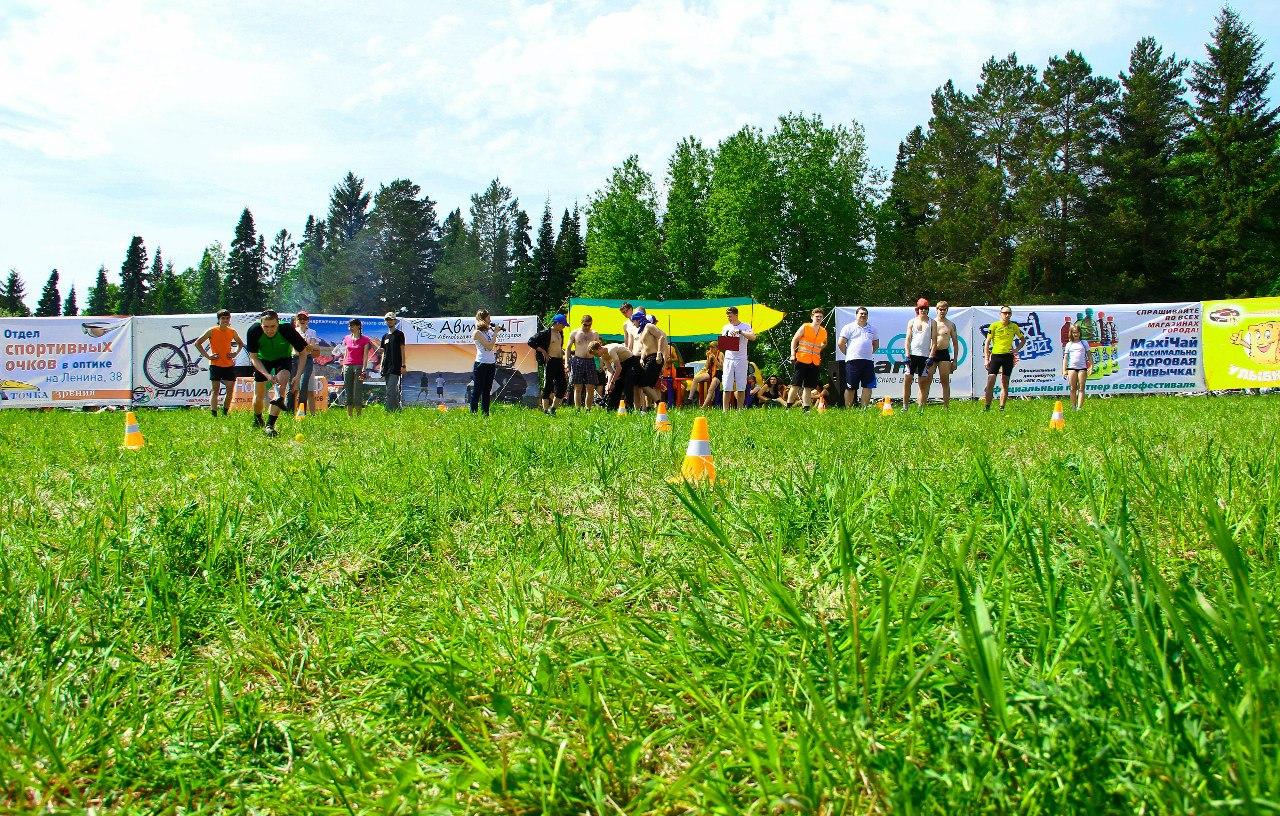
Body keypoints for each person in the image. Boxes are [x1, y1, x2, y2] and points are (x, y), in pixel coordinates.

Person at [245, 310, 315, 436]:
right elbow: (253, 357)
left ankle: (270, 425)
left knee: (282, 385)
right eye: (266, 327)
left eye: (273, 326)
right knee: (259, 395)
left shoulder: (286, 329)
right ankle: (258, 418)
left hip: (282, 359)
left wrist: (298, 376)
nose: (269, 330)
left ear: (278, 323)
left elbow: (303, 353)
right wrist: (266, 375)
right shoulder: (253, 331)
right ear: (261, 325)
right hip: (262, 360)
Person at [195, 309, 243, 417]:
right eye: (223, 318)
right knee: (215, 390)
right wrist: (208, 356)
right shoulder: (212, 330)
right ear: (219, 319)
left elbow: (240, 343)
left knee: (230, 390)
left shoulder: (232, 331)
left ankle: (225, 412)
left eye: (227, 318)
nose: (225, 320)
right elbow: (197, 343)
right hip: (215, 364)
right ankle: (214, 414)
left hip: (228, 364)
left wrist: (235, 353)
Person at [983, 305, 1027, 411]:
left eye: (1009, 313)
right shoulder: (994, 325)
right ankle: (987, 407)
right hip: (995, 356)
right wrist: (986, 359)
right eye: (1005, 313)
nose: (1007, 315)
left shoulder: (1014, 326)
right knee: (991, 380)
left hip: (1008, 357)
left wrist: (1016, 349)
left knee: (1005, 382)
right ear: (1000, 314)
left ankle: (1001, 408)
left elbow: (1023, 340)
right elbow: (987, 342)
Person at [837, 307, 878, 407]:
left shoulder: (872, 329)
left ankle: (864, 409)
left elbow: (876, 344)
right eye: (861, 313)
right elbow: (841, 343)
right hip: (852, 361)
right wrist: (849, 353)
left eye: (865, 314)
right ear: (856, 315)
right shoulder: (848, 327)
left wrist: (867, 353)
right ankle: (849, 410)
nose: (863, 315)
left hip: (868, 361)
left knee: (868, 386)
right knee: (851, 387)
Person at [528, 313, 569, 414]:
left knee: (563, 385)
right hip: (550, 361)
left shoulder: (560, 333)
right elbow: (531, 342)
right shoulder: (545, 333)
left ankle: (553, 408)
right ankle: (545, 410)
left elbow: (558, 346)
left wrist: (562, 352)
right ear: (557, 323)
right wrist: (543, 351)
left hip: (559, 361)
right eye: (563, 325)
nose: (564, 327)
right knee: (548, 386)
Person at [924, 300, 961, 408]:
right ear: (936, 310)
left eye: (944, 309)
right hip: (931, 353)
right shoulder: (931, 323)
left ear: (947, 310)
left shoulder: (950, 324)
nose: (942, 311)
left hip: (944, 353)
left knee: (945, 381)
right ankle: (922, 406)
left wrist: (955, 360)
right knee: (927, 380)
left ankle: (946, 407)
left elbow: (955, 344)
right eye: (940, 309)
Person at [789, 307, 827, 411]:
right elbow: (794, 340)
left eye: (820, 317)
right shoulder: (805, 326)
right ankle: (788, 406)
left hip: (815, 361)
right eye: (817, 316)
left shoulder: (823, 331)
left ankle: (806, 409)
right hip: (802, 359)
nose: (818, 318)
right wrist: (792, 354)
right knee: (795, 384)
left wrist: (819, 348)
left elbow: (824, 343)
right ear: (812, 317)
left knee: (808, 386)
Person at [720, 305, 756, 410]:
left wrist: (740, 332)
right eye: (727, 316)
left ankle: (740, 410)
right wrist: (728, 335)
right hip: (728, 359)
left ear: (736, 315)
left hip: (741, 359)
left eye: (730, 316)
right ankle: (725, 410)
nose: (729, 318)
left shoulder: (745, 326)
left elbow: (753, 337)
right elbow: (723, 344)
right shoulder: (726, 327)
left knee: (741, 386)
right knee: (727, 385)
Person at [903, 298, 936, 412]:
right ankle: (905, 407)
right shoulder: (912, 321)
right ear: (917, 309)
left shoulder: (932, 322)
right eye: (921, 308)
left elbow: (934, 342)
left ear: (928, 310)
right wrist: (907, 355)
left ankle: (921, 408)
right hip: (912, 355)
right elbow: (907, 339)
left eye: (925, 308)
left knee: (923, 382)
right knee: (907, 380)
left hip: (924, 356)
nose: (923, 310)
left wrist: (931, 357)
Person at [340, 319, 378, 417]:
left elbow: (365, 356)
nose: (350, 328)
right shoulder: (346, 338)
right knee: (348, 390)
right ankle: (349, 415)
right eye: (349, 326)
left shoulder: (365, 339)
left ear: (359, 326)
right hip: (347, 366)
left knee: (358, 390)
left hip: (359, 367)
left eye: (352, 326)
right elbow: (346, 353)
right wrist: (343, 366)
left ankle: (358, 415)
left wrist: (364, 369)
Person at [590, 340, 640, 412]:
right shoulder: (603, 356)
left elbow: (619, 368)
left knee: (627, 386)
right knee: (615, 388)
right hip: (622, 365)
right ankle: (611, 409)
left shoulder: (611, 350)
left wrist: (612, 382)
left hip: (631, 363)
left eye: (596, 353)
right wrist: (609, 384)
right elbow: (610, 371)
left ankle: (630, 410)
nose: (596, 356)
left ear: (599, 348)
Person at [289, 311, 321, 416]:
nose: (302, 320)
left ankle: (301, 412)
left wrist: (302, 345)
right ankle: (289, 412)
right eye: (300, 318)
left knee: (304, 385)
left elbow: (311, 347)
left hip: (307, 359)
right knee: (292, 386)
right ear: (296, 320)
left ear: (308, 321)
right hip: (294, 359)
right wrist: (305, 345)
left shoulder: (312, 332)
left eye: (305, 319)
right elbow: (293, 346)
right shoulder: (293, 331)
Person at [634, 313, 669, 410]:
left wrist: (659, 353)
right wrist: (642, 358)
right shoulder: (642, 331)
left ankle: (660, 404)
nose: (633, 323)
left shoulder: (649, 326)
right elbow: (644, 348)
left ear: (638, 319)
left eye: (634, 321)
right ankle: (658, 405)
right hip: (647, 359)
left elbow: (661, 337)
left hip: (654, 358)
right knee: (647, 385)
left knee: (643, 383)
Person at [471, 309, 501, 415]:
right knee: (478, 389)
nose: (490, 320)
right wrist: (495, 333)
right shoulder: (477, 333)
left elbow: (492, 344)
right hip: (481, 363)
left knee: (487, 390)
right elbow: (489, 347)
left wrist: (495, 332)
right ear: (482, 319)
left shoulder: (488, 331)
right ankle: (473, 413)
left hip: (491, 363)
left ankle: (485, 414)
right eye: (488, 318)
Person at [567, 313, 600, 410]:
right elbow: (568, 348)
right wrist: (566, 362)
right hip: (578, 360)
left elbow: (598, 349)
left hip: (590, 360)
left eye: (589, 325)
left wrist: (600, 362)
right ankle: (577, 409)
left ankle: (588, 409)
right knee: (578, 387)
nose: (587, 327)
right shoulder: (575, 333)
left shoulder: (594, 333)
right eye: (585, 325)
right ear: (581, 323)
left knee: (590, 387)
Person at [379, 312, 407, 412]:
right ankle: (398, 410)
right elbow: (383, 352)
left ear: (395, 321)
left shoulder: (399, 334)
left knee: (390, 390)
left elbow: (402, 350)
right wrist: (381, 365)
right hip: (386, 366)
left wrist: (403, 365)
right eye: (387, 319)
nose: (389, 321)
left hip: (396, 365)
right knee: (392, 390)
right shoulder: (384, 336)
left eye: (391, 319)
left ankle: (389, 411)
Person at [1062, 323, 1092, 410]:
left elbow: (1089, 356)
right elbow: (1065, 358)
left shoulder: (1084, 343)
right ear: (1071, 333)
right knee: (1072, 388)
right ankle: (1073, 407)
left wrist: (1091, 366)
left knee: (1081, 388)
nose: (1076, 334)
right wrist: (1064, 370)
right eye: (1074, 332)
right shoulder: (1069, 344)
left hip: (1082, 368)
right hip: (1071, 368)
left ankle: (1079, 408)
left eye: (1078, 332)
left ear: (1080, 333)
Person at [692, 340, 722, 407]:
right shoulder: (709, 354)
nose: (711, 349)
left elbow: (721, 366)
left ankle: (703, 407)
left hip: (718, 373)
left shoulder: (720, 354)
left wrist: (714, 359)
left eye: (712, 347)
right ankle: (690, 398)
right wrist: (708, 358)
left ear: (717, 348)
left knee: (710, 389)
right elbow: (706, 366)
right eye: (710, 347)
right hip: (711, 372)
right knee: (696, 378)